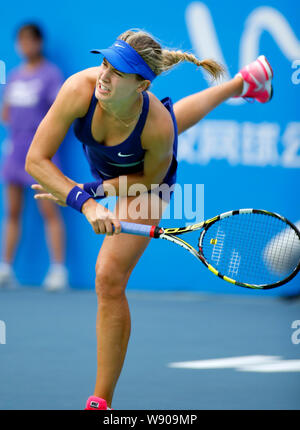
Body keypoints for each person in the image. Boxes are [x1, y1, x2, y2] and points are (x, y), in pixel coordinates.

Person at [25, 29, 273, 409]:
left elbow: (145, 183)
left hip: (145, 181)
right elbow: (35, 161)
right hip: (113, 165)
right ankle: (244, 81)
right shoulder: (81, 89)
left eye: (118, 71)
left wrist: (92, 191)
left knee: (108, 278)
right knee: (173, 119)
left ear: (141, 84)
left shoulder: (157, 127)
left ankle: (100, 402)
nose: (104, 75)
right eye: (104, 63)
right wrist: (85, 201)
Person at [0, 23, 68, 291]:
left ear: (39, 43)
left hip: (41, 154)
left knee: (50, 210)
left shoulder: (51, 75)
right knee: (12, 212)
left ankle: (58, 270)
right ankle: (5, 267)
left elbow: (60, 113)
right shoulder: (15, 76)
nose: (25, 45)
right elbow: (5, 113)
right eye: (21, 40)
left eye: (30, 40)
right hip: (15, 154)